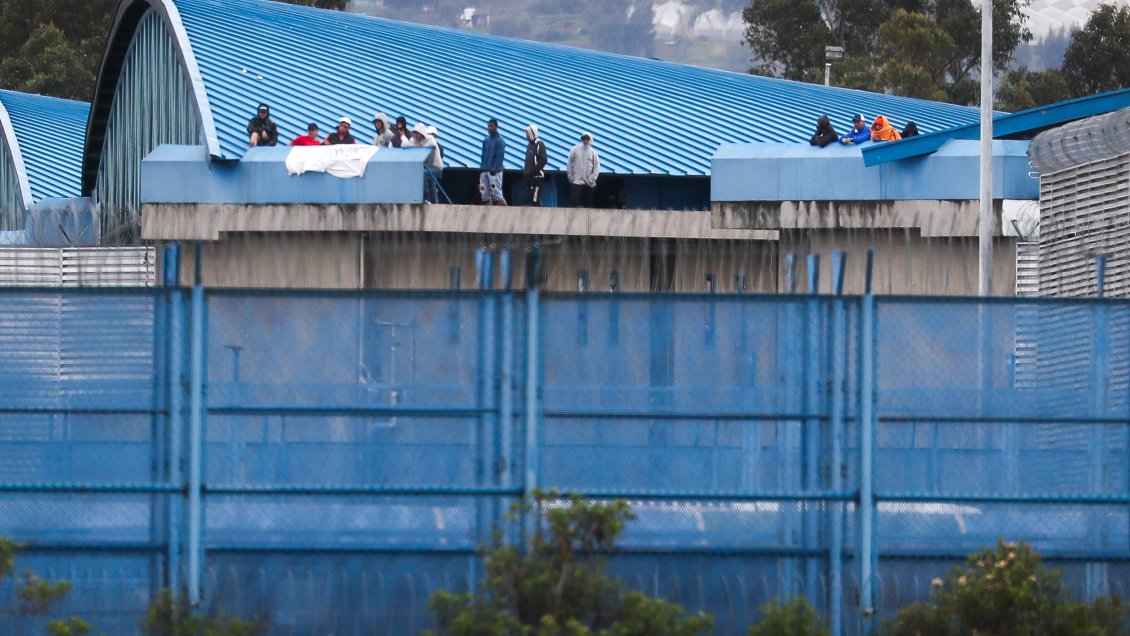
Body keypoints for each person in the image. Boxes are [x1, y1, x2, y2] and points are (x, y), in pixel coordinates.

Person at [412, 123, 444, 203]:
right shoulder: (416, 141)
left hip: (436, 168)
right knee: (430, 183)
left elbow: (432, 144)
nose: (415, 135)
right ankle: (435, 203)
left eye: (417, 133)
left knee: (422, 173)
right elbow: (406, 144)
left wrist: (421, 146)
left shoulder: (430, 139)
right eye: (414, 133)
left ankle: (424, 196)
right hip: (428, 168)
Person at [566, 132, 599, 208]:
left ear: (590, 140)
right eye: (584, 139)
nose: (585, 141)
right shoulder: (574, 149)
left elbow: (596, 167)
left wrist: (591, 179)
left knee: (589, 204)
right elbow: (569, 164)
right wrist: (571, 177)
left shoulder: (593, 153)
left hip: (589, 182)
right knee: (573, 203)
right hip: (577, 181)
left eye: (587, 139)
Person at [479, 118, 506, 205]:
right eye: (488, 126)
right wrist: (482, 167)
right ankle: (488, 211)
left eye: (491, 126)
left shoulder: (500, 140)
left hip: (495, 172)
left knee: (496, 194)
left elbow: (500, 157)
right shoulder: (486, 140)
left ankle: (506, 210)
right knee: (484, 193)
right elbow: (483, 155)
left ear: (496, 127)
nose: (489, 128)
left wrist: (494, 169)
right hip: (485, 171)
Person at [522, 124, 548, 206]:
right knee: (529, 198)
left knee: (535, 199)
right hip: (529, 178)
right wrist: (526, 172)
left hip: (537, 177)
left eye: (527, 133)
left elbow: (543, 159)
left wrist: (533, 170)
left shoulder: (539, 144)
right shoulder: (529, 145)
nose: (526, 135)